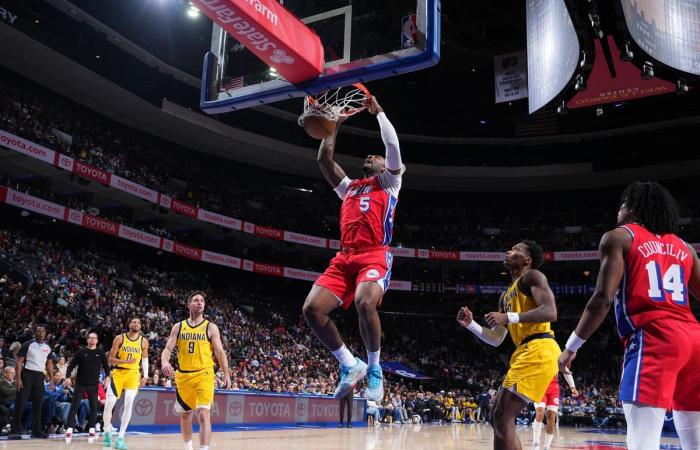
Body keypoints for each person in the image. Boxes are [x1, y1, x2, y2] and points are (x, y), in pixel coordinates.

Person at [558, 181, 700, 450]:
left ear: (632, 209)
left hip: (655, 339)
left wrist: (571, 347)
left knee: (642, 444)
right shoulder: (686, 247)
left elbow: (602, 299)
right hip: (694, 341)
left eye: (621, 206)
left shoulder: (619, 237)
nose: (618, 212)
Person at [302, 95, 404, 402]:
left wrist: (380, 112)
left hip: (375, 252)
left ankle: (374, 368)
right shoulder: (350, 187)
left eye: (378, 156)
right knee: (312, 309)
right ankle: (350, 364)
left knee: (363, 301)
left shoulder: (389, 183)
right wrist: (333, 124)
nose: (373, 156)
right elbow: (323, 160)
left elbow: (393, 147)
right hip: (345, 256)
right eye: (370, 156)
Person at [457, 241, 559, 450]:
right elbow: (496, 339)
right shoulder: (505, 296)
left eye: (516, 250)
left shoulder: (533, 276)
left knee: (501, 416)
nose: (509, 251)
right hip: (525, 351)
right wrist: (471, 325)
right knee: (496, 418)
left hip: (540, 348)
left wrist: (509, 317)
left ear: (527, 259)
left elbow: (550, 312)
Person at [161, 291, 231, 450]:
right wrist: (165, 362)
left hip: (204, 374)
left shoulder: (211, 327)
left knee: (203, 413)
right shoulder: (178, 327)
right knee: (185, 416)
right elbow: (167, 349)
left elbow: (220, 352)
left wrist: (226, 374)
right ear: (189, 304)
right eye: (196, 300)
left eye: (202, 301)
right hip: (183, 376)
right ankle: (188, 448)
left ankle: (204, 448)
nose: (199, 302)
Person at [103, 318, 149, 449]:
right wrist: (125, 362)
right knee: (109, 405)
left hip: (133, 375)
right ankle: (106, 431)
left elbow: (145, 359)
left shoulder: (143, 341)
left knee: (129, 404)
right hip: (118, 374)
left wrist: (145, 376)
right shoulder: (119, 338)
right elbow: (110, 359)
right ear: (129, 324)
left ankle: (120, 438)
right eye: (134, 322)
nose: (136, 324)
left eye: (139, 322)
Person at [9, 325, 54, 440]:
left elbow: (49, 363)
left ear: (45, 333)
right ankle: (14, 431)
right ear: (35, 333)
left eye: (42, 331)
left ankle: (36, 431)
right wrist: (18, 378)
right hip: (27, 374)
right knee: (20, 403)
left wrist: (52, 379)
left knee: (38, 404)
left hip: (39, 376)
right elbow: (19, 362)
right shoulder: (28, 344)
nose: (40, 333)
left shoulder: (47, 347)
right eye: (38, 331)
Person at [65, 331, 110, 438]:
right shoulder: (80, 352)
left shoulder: (100, 352)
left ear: (97, 340)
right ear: (87, 340)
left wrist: (108, 376)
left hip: (94, 384)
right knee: (74, 406)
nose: (92, 340)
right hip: (80, 383)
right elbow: (71, 365)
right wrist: (67, 377)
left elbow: (106, 366)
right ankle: (70, 428)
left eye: (94, 338)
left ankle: (92, 427)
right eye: (90, 338)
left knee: (94, 407)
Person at [531, 376, 574, 450]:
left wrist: (572, 387)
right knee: (540, 413)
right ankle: (535, 443)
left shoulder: (557, 363)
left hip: (553, 387)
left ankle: (546, 447)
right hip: (539, 385)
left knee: (551, 416)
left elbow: (565, 369)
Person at [0, 366, 16, 434]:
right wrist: (17, 389)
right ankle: (8, 427)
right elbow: (6, 391)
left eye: (14, 373)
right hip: (4, 402)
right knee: (8, 409)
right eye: (11, 373)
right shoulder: (1, 382)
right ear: (5, 374)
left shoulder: (16, 382)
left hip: (14, 402)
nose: (13, 375)